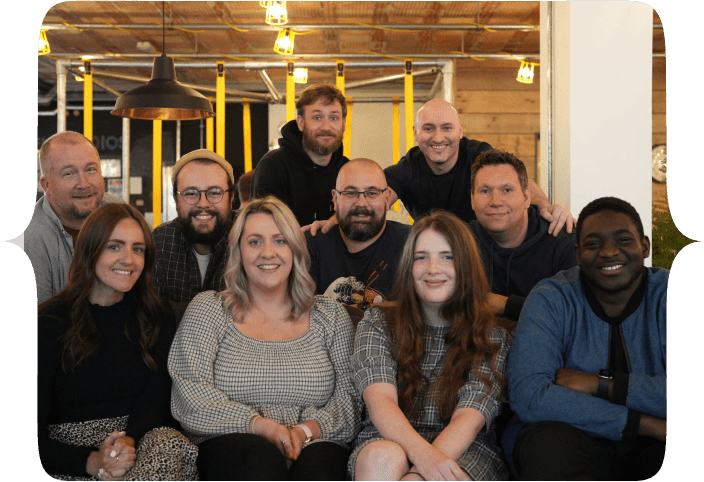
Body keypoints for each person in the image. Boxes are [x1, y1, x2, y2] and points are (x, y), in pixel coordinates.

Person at [168, 196, 359, 481]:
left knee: (318, 472)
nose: (268, 252)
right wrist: (262, 426)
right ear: (238, 252)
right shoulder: (209, 309)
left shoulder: (329, 315)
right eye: (254, 242)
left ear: (295, 249)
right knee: (259, 464)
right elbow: (190, 396)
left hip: (316, 442)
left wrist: (304, 431)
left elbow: (351, 399)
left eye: (280, 241)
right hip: (231, 443)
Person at [505, 197, 666, 480]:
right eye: (593, 244)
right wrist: (645, 424)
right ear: (578, 254)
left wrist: (600, 384)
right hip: (574, 434)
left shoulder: (671, 295)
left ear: (645, 246)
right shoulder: (550, 297)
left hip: (658, 444)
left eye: (623, 240)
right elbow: (529, 394)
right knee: (546, 446)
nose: (609, 252)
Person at [37, 203, 196, 481]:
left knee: (170, 445)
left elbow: (156, 397)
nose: (128, 259)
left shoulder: (157, 315)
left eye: (138, 249)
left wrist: (129, 441)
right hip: (69, 454)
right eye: (114, 247)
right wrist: (94, 461)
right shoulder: (49, 321)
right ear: (90, 250)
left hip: (139, 444)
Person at [349, 211, 510, 481]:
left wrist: (418, 474)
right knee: (383, 458)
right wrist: (422, 457)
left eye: (447, 257)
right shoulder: (378, 322)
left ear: (466, 266)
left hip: (464, 449)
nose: (432, 268)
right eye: (421, 257)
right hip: (387, 439)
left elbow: (469, 420)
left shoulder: (492, 335)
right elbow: (381, 403)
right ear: (408, 267)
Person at [385, 99, 573, 233]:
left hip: (483, 249)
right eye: (428, 128)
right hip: (433, 252)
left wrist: (546, 207)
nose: (438, 137)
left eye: (447, 128)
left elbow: (512, 178)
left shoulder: (477, 155)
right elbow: (375, 198)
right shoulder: (407, 169)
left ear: (460, 131)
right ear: (415, 133)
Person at [469, 149, 577, 320]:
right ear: (472, 200)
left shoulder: (563, 240)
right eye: (485, 191)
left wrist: (502, 304)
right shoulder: (460, 243)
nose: (495, 202)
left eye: (506, 190)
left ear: (527, 197)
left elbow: (574, 312)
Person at [26, 131, 123, 303]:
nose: (84, 184)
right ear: (46, 185)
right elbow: (37, 324)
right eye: (69, 173)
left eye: (90, 170)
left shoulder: (118, 211)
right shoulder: (29, 240)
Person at [305, 158, 411, 306]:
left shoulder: (413, 245)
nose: (361, 203)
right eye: (350, 193)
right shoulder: (308, 247)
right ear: (335, 199)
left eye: (372, 193)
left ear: (387, 199)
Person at [251, 84, 349, 226]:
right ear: (301, 123)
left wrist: (335, 220)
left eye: (334, 118)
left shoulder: (348, 171)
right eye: (317, 117)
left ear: (344, 124)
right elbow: (263, 228)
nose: (326, 127)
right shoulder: (274, 166)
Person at [153, 149, 236, 307]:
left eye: (214, 192)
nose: (203, 203)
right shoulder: (160, 241)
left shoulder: (250, 238)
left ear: (231, 197)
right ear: (177, 200)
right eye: (191, 193)